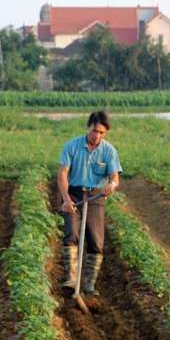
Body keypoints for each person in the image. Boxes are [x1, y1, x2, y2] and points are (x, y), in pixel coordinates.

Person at [58, 111, 122, 296]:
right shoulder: (72, 146)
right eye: (95, 131)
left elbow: (114, 177)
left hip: (95, 197)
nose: (97, 136)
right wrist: (66, 200)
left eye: (102, 133)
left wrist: (111, 185)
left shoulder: (109, 150)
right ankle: (71, 279)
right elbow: (62, 174)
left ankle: (89, 285)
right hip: (75, 195)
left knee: (96, 241)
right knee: (71, 233)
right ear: (88, 127)